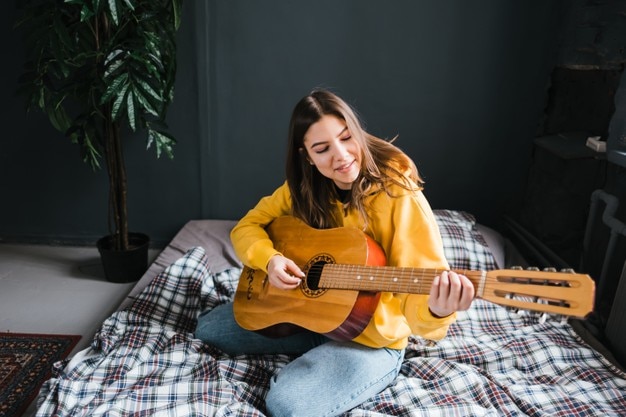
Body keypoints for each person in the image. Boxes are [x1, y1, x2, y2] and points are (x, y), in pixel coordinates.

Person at [194, 89, 475, 417]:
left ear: (358, 133)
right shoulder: (303, 188)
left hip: (371, 340)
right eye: (322, 148)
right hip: (310, 316)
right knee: (208, 329)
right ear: (306, 155)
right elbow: (246, 228)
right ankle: (307, 335)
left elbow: (418, 305)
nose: (340, 156)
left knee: (287, 406)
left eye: (346, 138)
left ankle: (350, 366)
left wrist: (437, 310)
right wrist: (269, 260)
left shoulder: (399, 196)